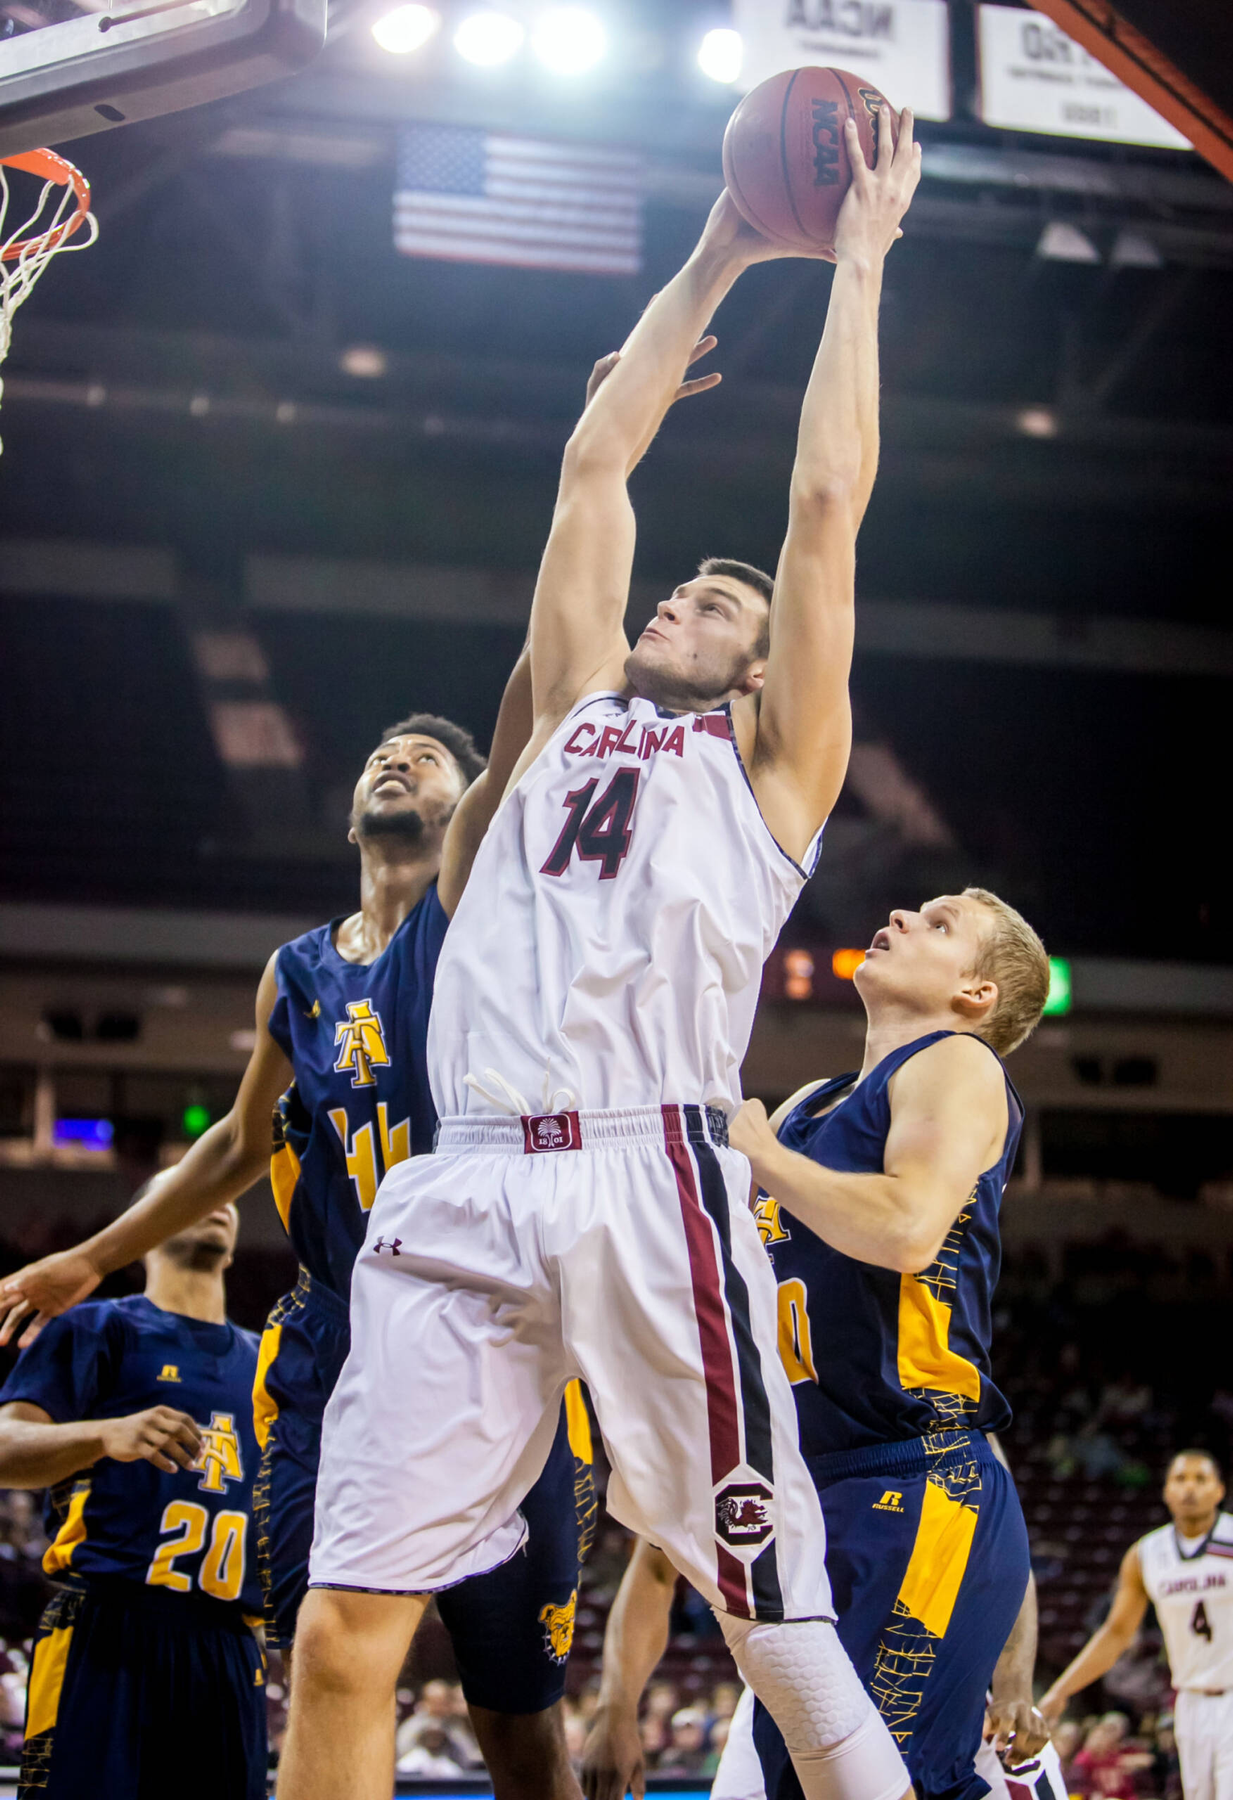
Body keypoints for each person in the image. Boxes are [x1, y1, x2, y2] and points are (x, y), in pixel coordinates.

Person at [282, 107, 923, 1800]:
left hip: (654, 1180)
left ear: (760, 668)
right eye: (683, 589)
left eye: (720, 604)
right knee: (348, 1627)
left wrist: (854, 263)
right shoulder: (560, 713)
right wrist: (722, 241)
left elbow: (824, 502)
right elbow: (594, 461)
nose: (686, 600)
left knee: (777, 1631)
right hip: (466, 1180)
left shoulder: (772, 774)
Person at [0, 343, 720, 1800]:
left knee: (516, 1701)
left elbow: (545, 672)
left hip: (500, 1302)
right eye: (382, 756)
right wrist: (92, 1250)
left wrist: (605, 439)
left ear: (473, 812)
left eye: (427, 757)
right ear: (348, 812)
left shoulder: (478, 911)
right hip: (340, 1329)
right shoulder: (293, 970)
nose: (399, 761)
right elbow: (235, 1149)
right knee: (333, 1656)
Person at [582, 887, 1051, 1800]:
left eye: (941, 924)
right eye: (917, 908)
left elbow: (910, 1226)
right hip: (804, 1486)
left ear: (975, 995)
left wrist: (762, 1159)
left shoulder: (956, 1063)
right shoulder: (808, 1104)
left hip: (912, 1479)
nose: (907, 917)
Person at [0, 1206, 266, 1798]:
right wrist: (102, 1434)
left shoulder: (270, 1363)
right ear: (145, 1226)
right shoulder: (96, 1328)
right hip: (107, 1624)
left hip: (228, 1642)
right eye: (184, 1190)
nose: (215, 1200)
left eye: (225, 1194)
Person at [1040, 1450, 1233, 1800]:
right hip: (1189, 1702)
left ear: (1219, 1491)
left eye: (1200, 1479)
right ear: (1166, 1491)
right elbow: (1115, 1634)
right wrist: (1059, 1692)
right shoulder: (1146, 1554)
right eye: (1180, 1479)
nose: (1190, 1488)